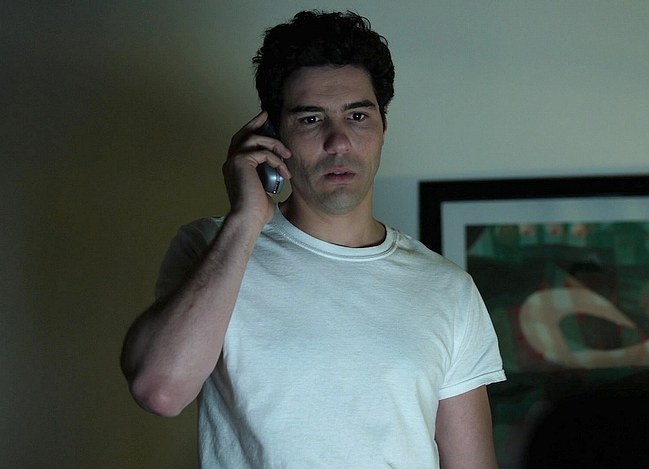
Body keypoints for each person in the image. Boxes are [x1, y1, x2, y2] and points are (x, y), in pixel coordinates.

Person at [120, 10, 506, 468]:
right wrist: (247, 219)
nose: (338, 141)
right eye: (310, 119)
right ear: (272, 135)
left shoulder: (448, 289)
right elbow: (160, 390)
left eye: (357, 116)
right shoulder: (213, 247)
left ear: (383, 127)